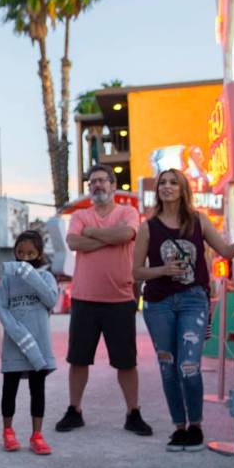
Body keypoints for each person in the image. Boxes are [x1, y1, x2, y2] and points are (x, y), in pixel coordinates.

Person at [133, 168, 234, 451]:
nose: (167, 187)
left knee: (188, 366)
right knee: (168, 367)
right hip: (158, 303)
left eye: (173, 183)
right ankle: (179, 427)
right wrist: (164, 269)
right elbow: (136, 271)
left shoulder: (198, 222)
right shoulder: (148, 227)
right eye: (162, 183)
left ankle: (196, 426)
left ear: (183, 190)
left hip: (193, 299)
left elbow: (227, 252)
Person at [55, 164, 153, 437]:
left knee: (126, 362)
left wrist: (91, 234)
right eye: (92, 182)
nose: (96, 185)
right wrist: (109, 238)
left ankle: (133, 413)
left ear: (113, 185)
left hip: (120, 298)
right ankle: (74, 410)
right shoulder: (81, 214)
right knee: (78, 360)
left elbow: (126, 235)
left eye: (102, 181)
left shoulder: (128, 212)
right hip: (84, 299)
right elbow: (74, 243)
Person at [0, 230, 58, 455]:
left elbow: (51, 299)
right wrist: (15, 331)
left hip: (39, 343)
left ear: (39, 253)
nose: (24, 257)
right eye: (20, 253)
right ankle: (8, 431)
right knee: (9, 388)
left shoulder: (46, 277)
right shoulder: (7, 279)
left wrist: (30, 274)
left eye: (30, 253)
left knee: (37, 389)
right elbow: (0, 307)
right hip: (14, 341)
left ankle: (37, 434)